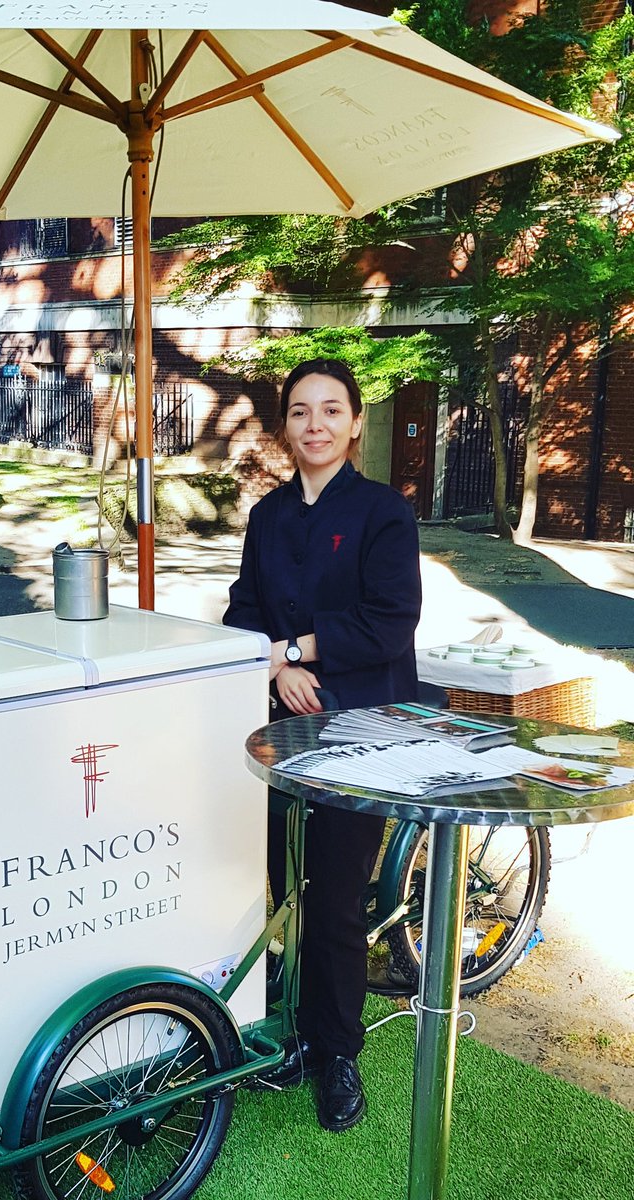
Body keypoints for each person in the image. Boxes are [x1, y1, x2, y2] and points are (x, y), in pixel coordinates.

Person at [223, 358, 421, 1133]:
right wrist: (275, 666)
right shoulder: (268, 515)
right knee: (278, 881)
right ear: (285, 426)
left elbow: (390, 619)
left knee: (336, 896)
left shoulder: (383, 513)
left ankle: (335, 1051)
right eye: (301, 412)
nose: (315, 425)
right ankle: (283, 1025)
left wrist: (298, 651)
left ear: (356, 423)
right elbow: (242, 610)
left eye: (331, 410)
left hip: (361, 727)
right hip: (280, 722)